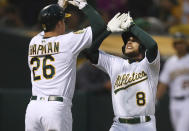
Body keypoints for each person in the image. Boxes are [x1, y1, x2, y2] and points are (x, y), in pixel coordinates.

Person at [25, 0, 127, 130]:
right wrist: (84, 5)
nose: (64, 23)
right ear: (59, 23)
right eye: (63, 20)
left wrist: (59, 7)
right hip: (55, 108)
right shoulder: (68, 41)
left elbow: (46, 28)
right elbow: (99, 25)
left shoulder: (34, 42)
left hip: (33, 108)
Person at [85, 13, 160, 131]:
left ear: (142, 46)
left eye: (134, 40)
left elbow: (153, 46)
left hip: (144, 124)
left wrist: (132, 26)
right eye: (127, 41)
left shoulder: (149, 64)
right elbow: (90, 53)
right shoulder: (115, 63)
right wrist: (108, 30)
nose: (129, 42)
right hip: (119, 124)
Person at [157, 32, 189, 131]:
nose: (179, 45)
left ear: (186, 44)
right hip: (173, 101)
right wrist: (155, 99)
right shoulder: (170, 62)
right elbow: (163, 83)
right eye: (177, 43)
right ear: (174, 45)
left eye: (181, 43)